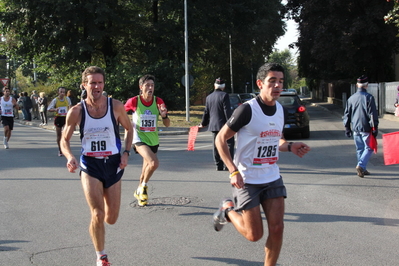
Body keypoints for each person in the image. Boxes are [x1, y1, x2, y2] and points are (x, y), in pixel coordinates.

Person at [213, 63, 310, 266]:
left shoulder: (280, 111)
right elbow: (220, 139)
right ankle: (228, 209)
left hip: (272, 176)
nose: (277, 86)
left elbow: (278, 141)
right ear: (260, 83)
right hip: (247, 179)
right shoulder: (246, 110)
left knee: (277, 228)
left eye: (281, 81)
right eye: (272, 81)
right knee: (254, 235)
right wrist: (233, 171)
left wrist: (290, 146)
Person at [60, 66, 133, 266]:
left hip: (113, 165)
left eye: (100, 82)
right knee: (97, 213)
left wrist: (126, 152)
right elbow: (64, 140)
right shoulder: (76, 111)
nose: (97, 86)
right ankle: (101, 256)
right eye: (92, 83)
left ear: (104, 84)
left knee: (111, 218)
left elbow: (128, 129)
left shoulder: (116, 106)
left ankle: (100, 226)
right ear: (84, 85)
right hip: (90, 165)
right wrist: (69, 156)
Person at [124, 74, 170, 206]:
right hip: (138, 137)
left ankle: (139, 192)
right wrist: (126, 125)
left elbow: (167, 124)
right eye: (147, 85)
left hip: (153, 139)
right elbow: (120, 113)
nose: (150, 88)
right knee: (153, 163)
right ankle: (144, 187)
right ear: (141, 87)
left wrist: (164, 115)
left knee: (146, 168)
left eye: (152, 85)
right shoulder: (134, 101)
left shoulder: (158, 101)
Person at [343, 75, 379, 177]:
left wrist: (347, 128)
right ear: (367, 85)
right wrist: (375, 127)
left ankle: (362, 169)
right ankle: (361, 165)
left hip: (355, 128)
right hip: (366, 128)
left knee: (360, 149)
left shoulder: (351, 98)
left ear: (357, 85)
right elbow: (372, 114)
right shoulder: (369, 98)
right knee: (369, 148)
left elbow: (346, 114)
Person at [200, 78, 235, 171]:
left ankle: (218, 164)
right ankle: (227, 164)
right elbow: (227, 111)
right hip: (225, 125)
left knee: (216, 145)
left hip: (214, 125)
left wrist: (203, 123)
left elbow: (206, 112)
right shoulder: (225, 96)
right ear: (223, 87)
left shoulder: (209, 97)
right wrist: (231, 124)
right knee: (229, 144)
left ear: (214, 85)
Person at [47, 87, 71, 156]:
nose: (62, 93)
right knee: (59, 135)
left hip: (66, 118)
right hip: (58, 118)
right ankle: (60, 149)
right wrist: (55, 109)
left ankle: (66, 149)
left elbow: (70, 107)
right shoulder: (55, 100)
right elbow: (49, 109)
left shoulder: (67, 99)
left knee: (66, 135)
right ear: (58, 92)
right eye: (61, 92)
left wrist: (70, 112)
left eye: (63, 92)